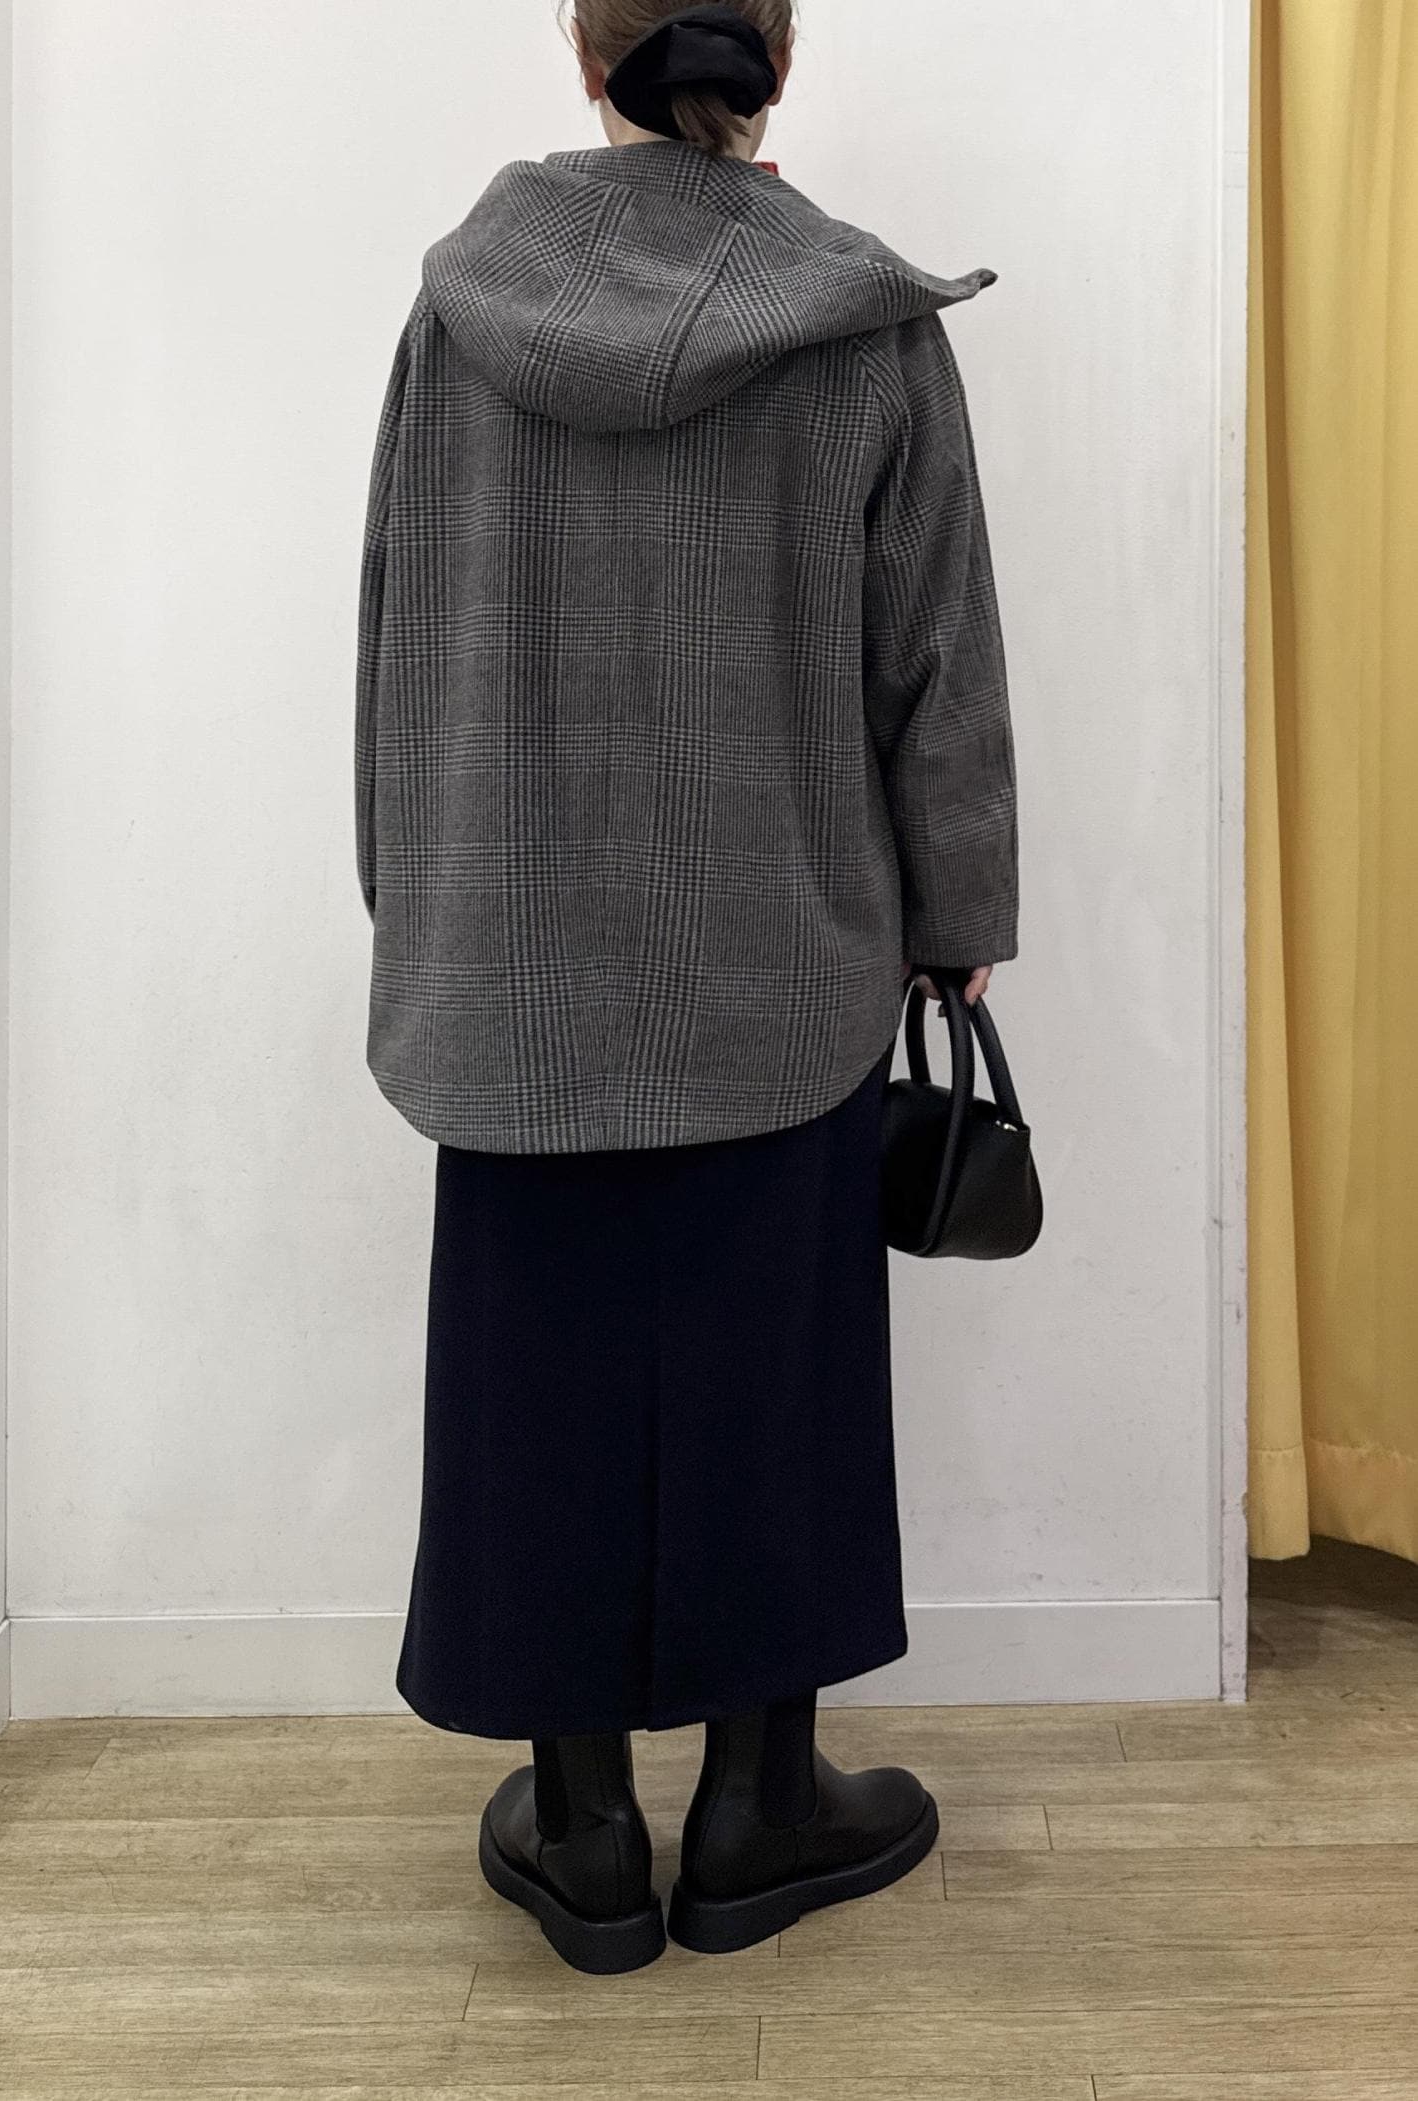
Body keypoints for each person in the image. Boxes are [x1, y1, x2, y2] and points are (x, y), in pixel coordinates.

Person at [355, 1, 1018, 1975]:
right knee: (768, 1379)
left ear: (590, 60)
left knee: (536, 1388)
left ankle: (578, 1830)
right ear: (774, 62)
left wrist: (416, 899)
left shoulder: (460, 315)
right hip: (781, 955)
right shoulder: (861, 323)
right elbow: (938, 654)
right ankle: (757, 1808)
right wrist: (959, 905)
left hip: (516, 968)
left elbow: (398, 626)